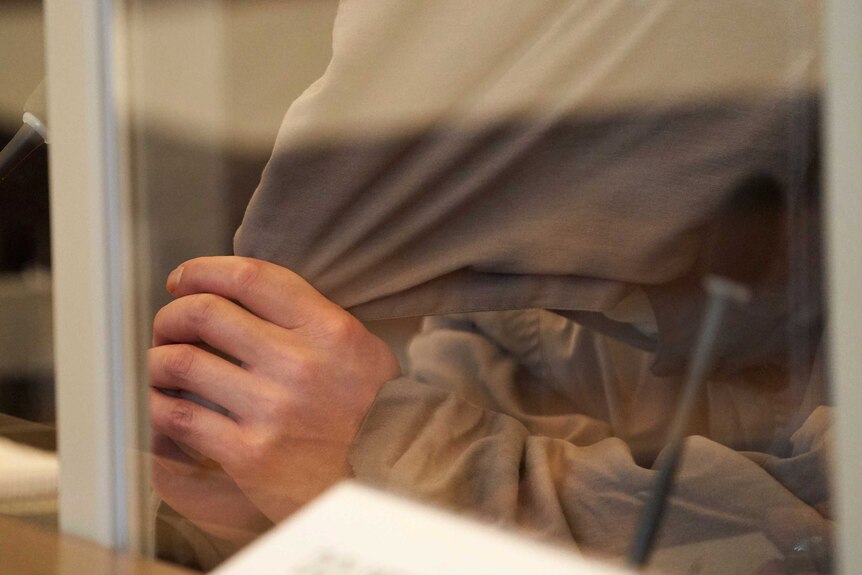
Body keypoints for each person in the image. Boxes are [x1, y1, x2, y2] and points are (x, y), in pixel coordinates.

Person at [149, 1, 831, 572]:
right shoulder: (533, 259)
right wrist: (261, 509)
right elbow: (485, 388)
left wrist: (368, 455)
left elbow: (810, 536)